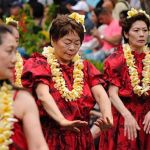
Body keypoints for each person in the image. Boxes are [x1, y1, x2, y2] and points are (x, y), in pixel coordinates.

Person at [21, 12, 113, 149]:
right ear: (53, 40)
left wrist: (107, 116)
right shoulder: (40, 64)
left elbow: (100, 94)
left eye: (77, 43)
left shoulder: (85, 67)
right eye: (67, 42)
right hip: (52, 137)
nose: (72, 48)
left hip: (82, 139)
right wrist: (61, 120)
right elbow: (43, 95)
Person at [99, 8, 150, 150]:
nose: (141, 34)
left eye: (145, 30)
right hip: (123, 116)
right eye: (136, 30)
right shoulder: (117, 59)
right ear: (126, 34)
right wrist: (127, 116)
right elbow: (112, 94)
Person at [0, 25, 48, 150]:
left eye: (15, 51)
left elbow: (38, 146)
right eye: (9, 51)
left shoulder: (21, 99)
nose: (15, 59)